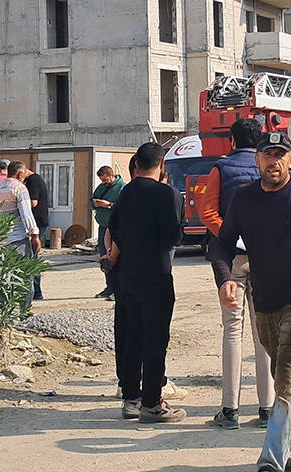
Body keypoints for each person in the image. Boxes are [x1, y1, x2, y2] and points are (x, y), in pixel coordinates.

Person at [208, 131, 291, 472]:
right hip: (264, 301)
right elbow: (220, 245)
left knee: (286, 380)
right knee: (287, 375)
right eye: (268, 155)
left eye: (281, 155)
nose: (274, 162)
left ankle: (271, 462)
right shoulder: (243, 198)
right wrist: (225, 279)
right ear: (257, 160)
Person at [198, 118, 273, 430]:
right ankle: (268, 409)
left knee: (232, 331)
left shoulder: (222, 168)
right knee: (263, 332)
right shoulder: (269, 167)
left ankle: (230, 410)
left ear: (231, 141)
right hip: (266, 259)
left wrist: (231, 236)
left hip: (233, 259)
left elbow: (206, 211)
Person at [106, 142, 185, 424]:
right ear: (162, 165)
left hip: (128, 274)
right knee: (155, 339)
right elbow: (173, 237)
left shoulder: (126, 192)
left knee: (132, 336)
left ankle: (131, 398)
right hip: (156, 273)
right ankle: (152, 403)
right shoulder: (166, 194)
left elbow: (114, 228)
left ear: (136, 164)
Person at [0, 161, 40, 305]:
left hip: (1, 238)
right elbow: (26, 214)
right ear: (20, 174)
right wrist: (35, 235)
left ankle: (6, 309)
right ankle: (24, 310)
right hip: (18, 238)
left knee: (5, 277)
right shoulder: (19, 188)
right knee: (25, 275)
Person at [92, 166, 125, 299]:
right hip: (103, 227)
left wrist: (109, 205)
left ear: (112, 176)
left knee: (116, 257)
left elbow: (124, 207)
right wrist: (95, 203)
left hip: (116, 228)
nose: (104, 183)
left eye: (105, 180)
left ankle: (118, 287)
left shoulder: (122, 188)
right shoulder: (101, 187)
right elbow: (92, 200)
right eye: (102, 180)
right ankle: (109, 286)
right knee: (105, 257)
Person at [24, 166, 51, 300]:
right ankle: (34, 291)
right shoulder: (36, 179)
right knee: (33, 256)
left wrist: (19, 205)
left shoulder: (33, 180)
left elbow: (33, 202)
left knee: (32, 257)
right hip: (39, 223)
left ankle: (36, 291)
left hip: (37, 223)